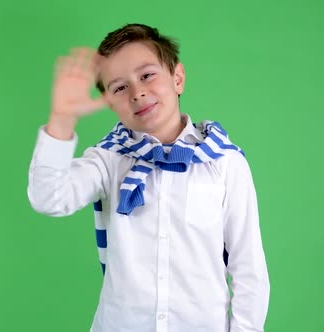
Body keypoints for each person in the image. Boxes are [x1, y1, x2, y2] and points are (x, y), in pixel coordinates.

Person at [27, 23, 270, 332]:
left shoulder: (225, 162)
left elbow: (249, 268)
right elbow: (49, 198)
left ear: (177, 78)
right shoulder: (108, 159)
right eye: (119, 87)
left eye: (147, 75)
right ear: (110, 103)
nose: (138, 92)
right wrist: (62, 118)